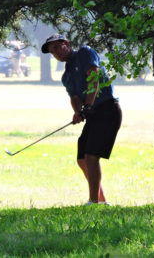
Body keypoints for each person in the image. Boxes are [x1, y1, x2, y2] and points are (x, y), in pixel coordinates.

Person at [41, 34, 122, 205]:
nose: (56, 53)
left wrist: (89, 106)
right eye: (52, 52)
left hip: (108, 109)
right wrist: (79, 112)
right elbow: (75, 97)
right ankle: (101, 201)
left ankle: (93, 202)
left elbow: (94, 77)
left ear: (67, 44)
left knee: (92, 156)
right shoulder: (66, 75)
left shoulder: (85, 53)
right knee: (82, 159)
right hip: (93, 113)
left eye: (57, 47)